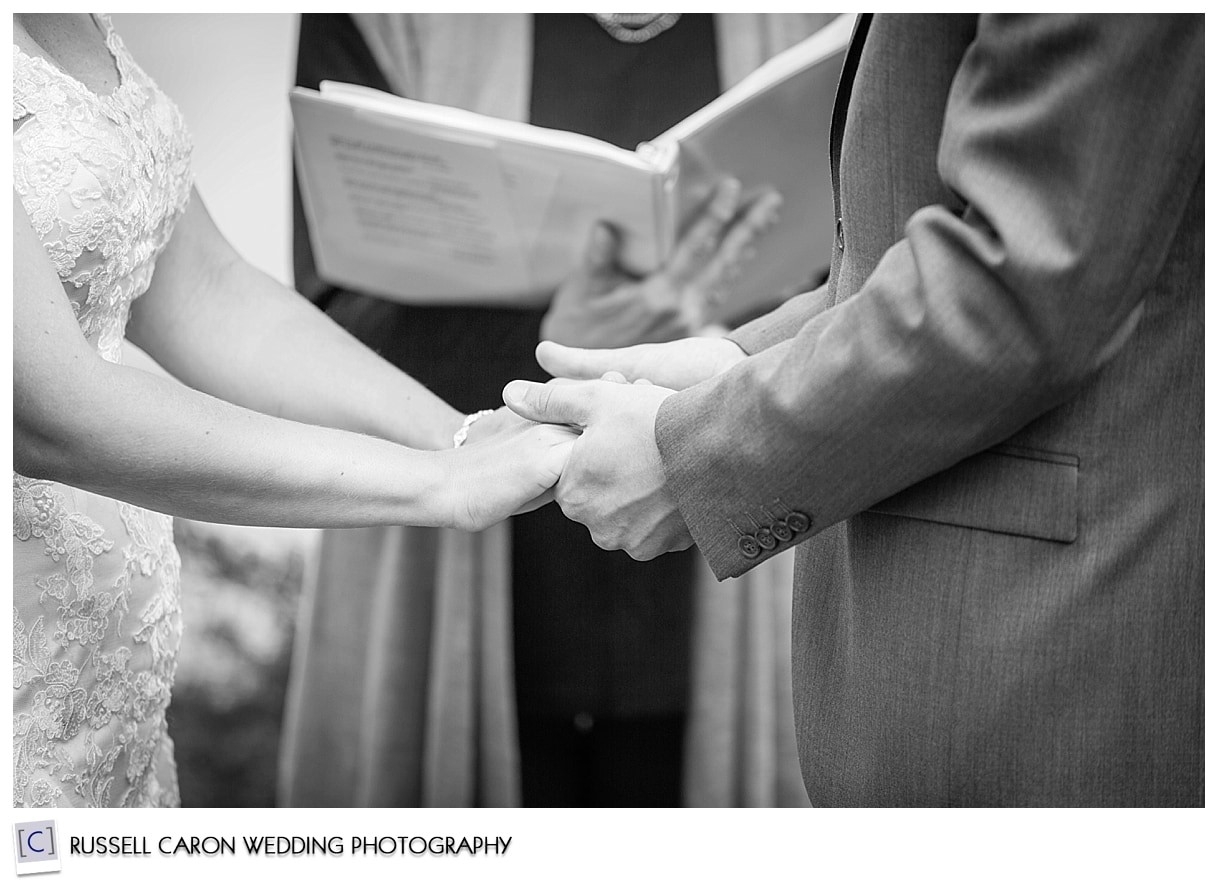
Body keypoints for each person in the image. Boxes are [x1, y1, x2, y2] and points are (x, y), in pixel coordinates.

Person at [505, 13, 1204, 806]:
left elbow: (1024, 277)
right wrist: (733, 364)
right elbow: (904, 249)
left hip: (1055, 662)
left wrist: (696, 457)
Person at [12, 12, 577, 809]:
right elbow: (45, 410)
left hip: (104, 690)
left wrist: (459, 434)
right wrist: (438, 486)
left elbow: (210, 296)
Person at [280, 13, 834, 807]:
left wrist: (733, 327)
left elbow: (873, 285)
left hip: (730, 569)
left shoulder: (823, 27)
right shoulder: (385, 22)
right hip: (457, 572)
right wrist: (559, 342)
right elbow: (326, 325)